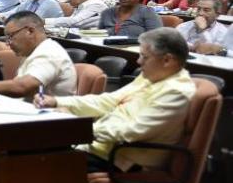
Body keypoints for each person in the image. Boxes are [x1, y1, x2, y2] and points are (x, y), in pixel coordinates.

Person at [35, 28, 196, 173]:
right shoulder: (151, 77)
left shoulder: (176, 91)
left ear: (167, 60)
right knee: (31, 147)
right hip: (100, 149)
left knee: (34, 160)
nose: (139, 62)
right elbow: (107, 101)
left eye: (144, 57)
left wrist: (79, 130)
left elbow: (132, 132)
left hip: (122, 160)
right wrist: (57, 102)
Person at [0, 11, 76, 97]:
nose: (8, 43)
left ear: (30, 31)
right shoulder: (32, 52)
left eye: (11, 36)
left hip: (51, 122)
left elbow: (22, 87)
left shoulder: (49, 53)